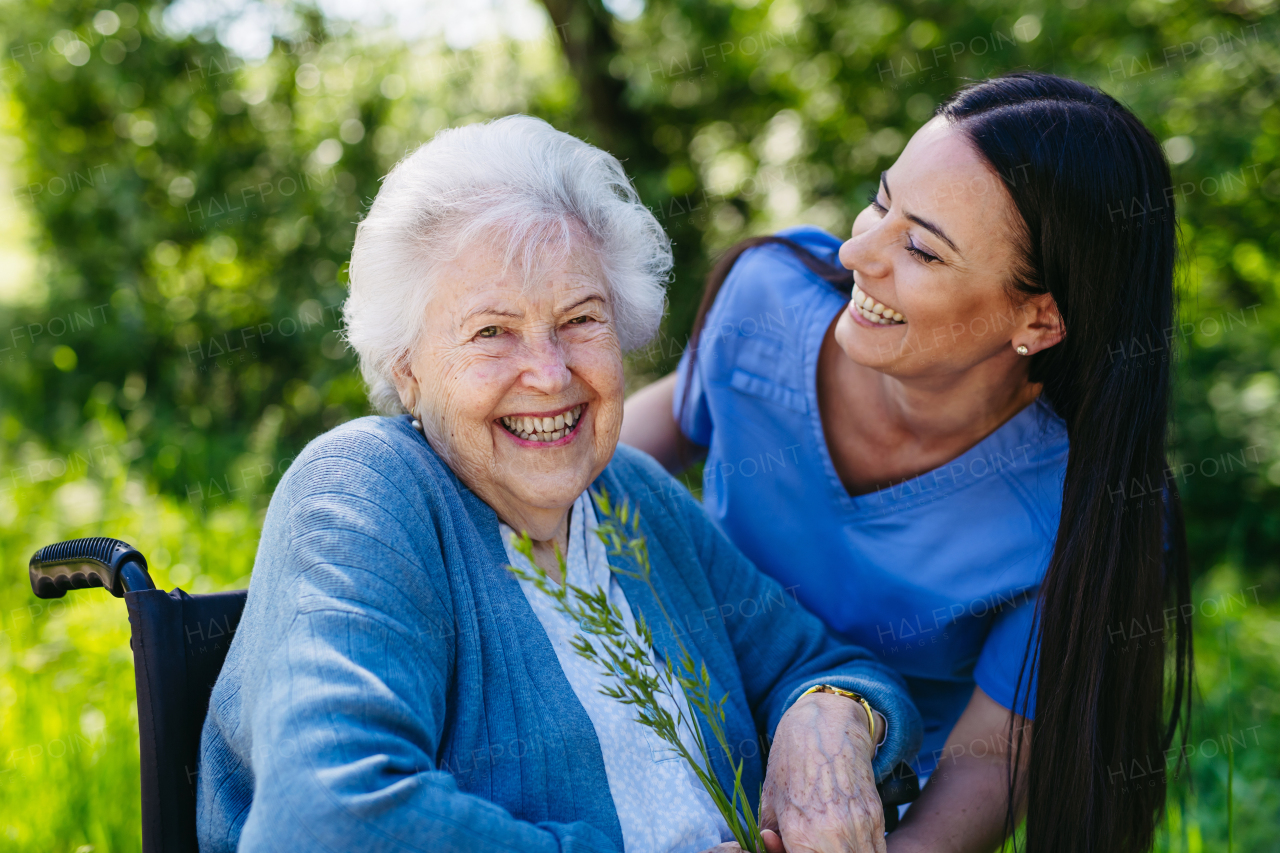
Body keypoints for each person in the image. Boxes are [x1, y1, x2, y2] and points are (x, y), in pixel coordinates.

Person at [196, 115, 922, 853]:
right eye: (491, 332)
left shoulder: (629, 495)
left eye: (580, 319)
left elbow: (821, 662)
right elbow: (328, 819)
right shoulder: (362, 489)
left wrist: (829, 714)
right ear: (406, 367)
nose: (549, 373)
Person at [621, 73, 1192, 853]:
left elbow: (989, 768)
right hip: (673, 727)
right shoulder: (764, 300)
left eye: (920, 247)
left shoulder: (1082, 503)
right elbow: (628, 440)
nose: (858, 250)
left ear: (1039, 318)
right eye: (880, 201)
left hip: (877, 815)